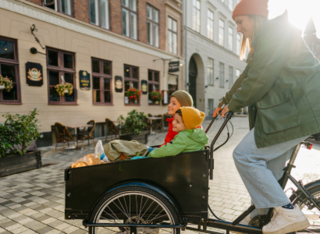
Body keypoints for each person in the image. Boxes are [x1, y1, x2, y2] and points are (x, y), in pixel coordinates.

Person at [213, 0, 320, 233]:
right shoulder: (265, 39)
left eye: (240, 22)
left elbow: (260, 78)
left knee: (244, 156)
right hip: (289, 113)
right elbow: (248, 74)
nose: (238, 28)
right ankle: (263, 219)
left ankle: (288, 214)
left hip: (298, 112)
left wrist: (234, 104)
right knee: (269, 172)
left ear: (255, 17)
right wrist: (226, 99)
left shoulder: (274, 34)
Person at [132, 107, 208, 159]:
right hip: (190, 163)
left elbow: (169, 150)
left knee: (136, 158)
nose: (173, 122)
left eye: (177, 121)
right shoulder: (196, 134)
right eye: (174, 119)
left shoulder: (184, 136)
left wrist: (151, 155)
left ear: (188, 126)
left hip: (180, 165)